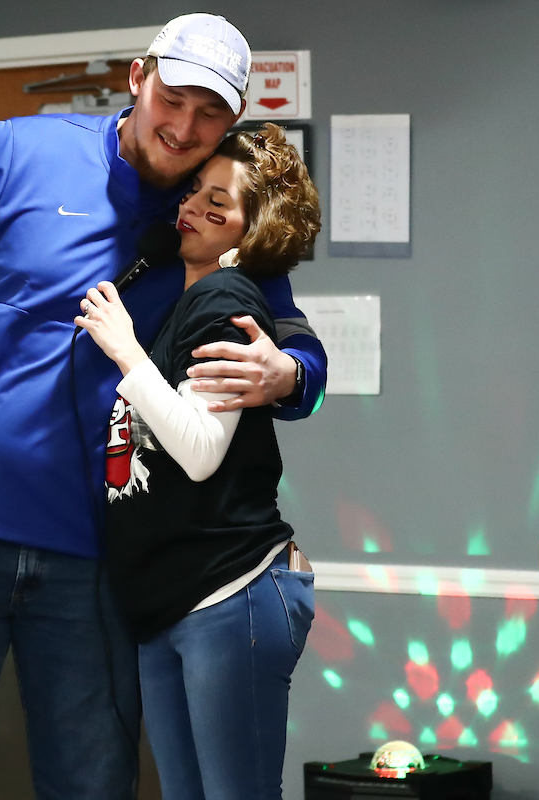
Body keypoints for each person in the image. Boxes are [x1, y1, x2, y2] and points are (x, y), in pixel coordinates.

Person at [0, 14, 327, 800]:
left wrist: (286, 375)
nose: (184, 128)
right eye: (172, 99)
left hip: (96, 560)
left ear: (233, 118)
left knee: (94, 785)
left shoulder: (212, 221)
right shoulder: (12, 154)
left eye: (210, 112)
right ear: (137, 78)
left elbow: (297, 348)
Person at [75, 123, 318, 800]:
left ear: (252, 232)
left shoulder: (224, 300)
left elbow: (202, 451)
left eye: (219, 203)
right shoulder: (188, 303)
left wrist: (124, 349)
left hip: (226, 592)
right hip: (167, 602)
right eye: (194, 193)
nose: (192, 209)